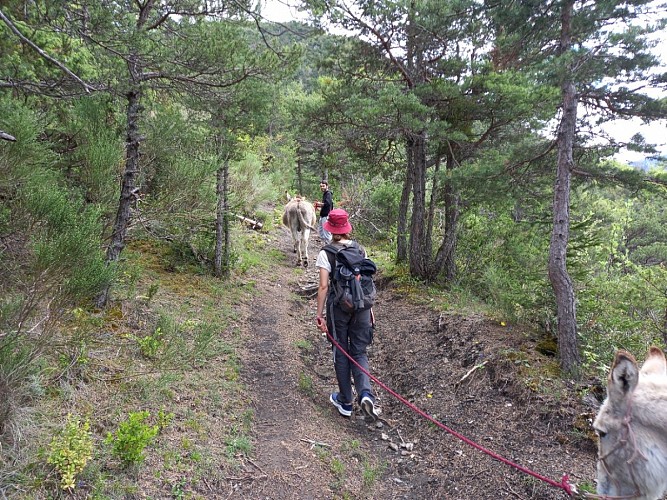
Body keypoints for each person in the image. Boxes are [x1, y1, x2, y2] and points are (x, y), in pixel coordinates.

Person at [315, 209, 379, 420]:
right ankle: (365, 393)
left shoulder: (326, 253)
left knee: (341, 351)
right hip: (362, 307)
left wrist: (320, 314)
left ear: (331, 229)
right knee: (359, 351)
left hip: (339, 308)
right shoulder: (360, 250)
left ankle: (345, 401)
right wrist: (370, 311)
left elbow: (324, 286)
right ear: (347, 227)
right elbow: (366, 282)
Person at [314, 180, 333, 245]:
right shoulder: (325, 194)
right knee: (321, 231)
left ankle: (329, 247)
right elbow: (326, 205)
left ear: (327, 186)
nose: (322, 187)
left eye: (323, 186)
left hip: (326, 216)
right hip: (323, 215)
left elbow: (327, 203)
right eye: (321, 186)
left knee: (326, 232)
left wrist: (319, 204)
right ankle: (326, 245)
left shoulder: (328, 193)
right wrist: (320, 208)